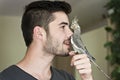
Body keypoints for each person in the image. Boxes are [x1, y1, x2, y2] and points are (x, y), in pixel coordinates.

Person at [0, 1, 93, 80]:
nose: (71, 34)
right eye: (63, 27)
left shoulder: (67, 78)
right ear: (39, 33)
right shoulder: (5, 78)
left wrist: (87, 78)